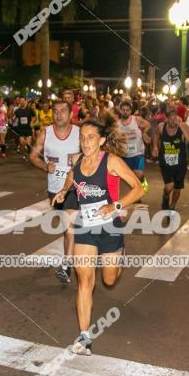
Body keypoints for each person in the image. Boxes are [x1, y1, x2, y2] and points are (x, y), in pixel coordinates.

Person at [51, 116, 144, 356]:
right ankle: (84, 337)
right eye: (82, 137)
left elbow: (139, 187)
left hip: (110, 226)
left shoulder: (112, 161)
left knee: (109, 280)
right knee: (85, 281)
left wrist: (116, 206)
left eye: (90, 137)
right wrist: (63, 192)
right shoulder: (78, 161)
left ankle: (119, 255)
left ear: (101, 140)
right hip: (86, 227)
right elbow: (72, 177)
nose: (85, 142)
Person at [29, 99, 80, 283]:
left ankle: (66, 267)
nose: (59, 115)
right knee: (67, 228)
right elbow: (33, 156)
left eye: (63, 111)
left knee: (69, 227)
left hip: (74, 188)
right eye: (55, 111)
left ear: (71, 114)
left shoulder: (79, 134)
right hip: (54, 189)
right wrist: (45, 166)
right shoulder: (45, 134)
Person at [152, 106, 189, 211]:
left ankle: (172, 206)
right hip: (166, 163)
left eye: (175, 118)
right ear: (166, 118)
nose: (173, 121)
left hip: (180, 163)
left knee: (177, 189)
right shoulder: (162, 127)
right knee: (169, 187)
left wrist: (181, 125)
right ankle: (165, 196)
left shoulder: (182, 126)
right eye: (170, 118)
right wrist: (155, 146)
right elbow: (156, 134)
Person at [116, 99, 151, 194]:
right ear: (120, 110)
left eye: (127, 110)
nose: (125, 112)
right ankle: (136, 192)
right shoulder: (117, 123)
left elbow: (148, 125)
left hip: (137, 152)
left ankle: (144, 185)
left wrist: (144, 133)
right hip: (124, 154)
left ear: (131, 111)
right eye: (123, 109)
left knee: (139, 174)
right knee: (129, 176)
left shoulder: (136, 119)